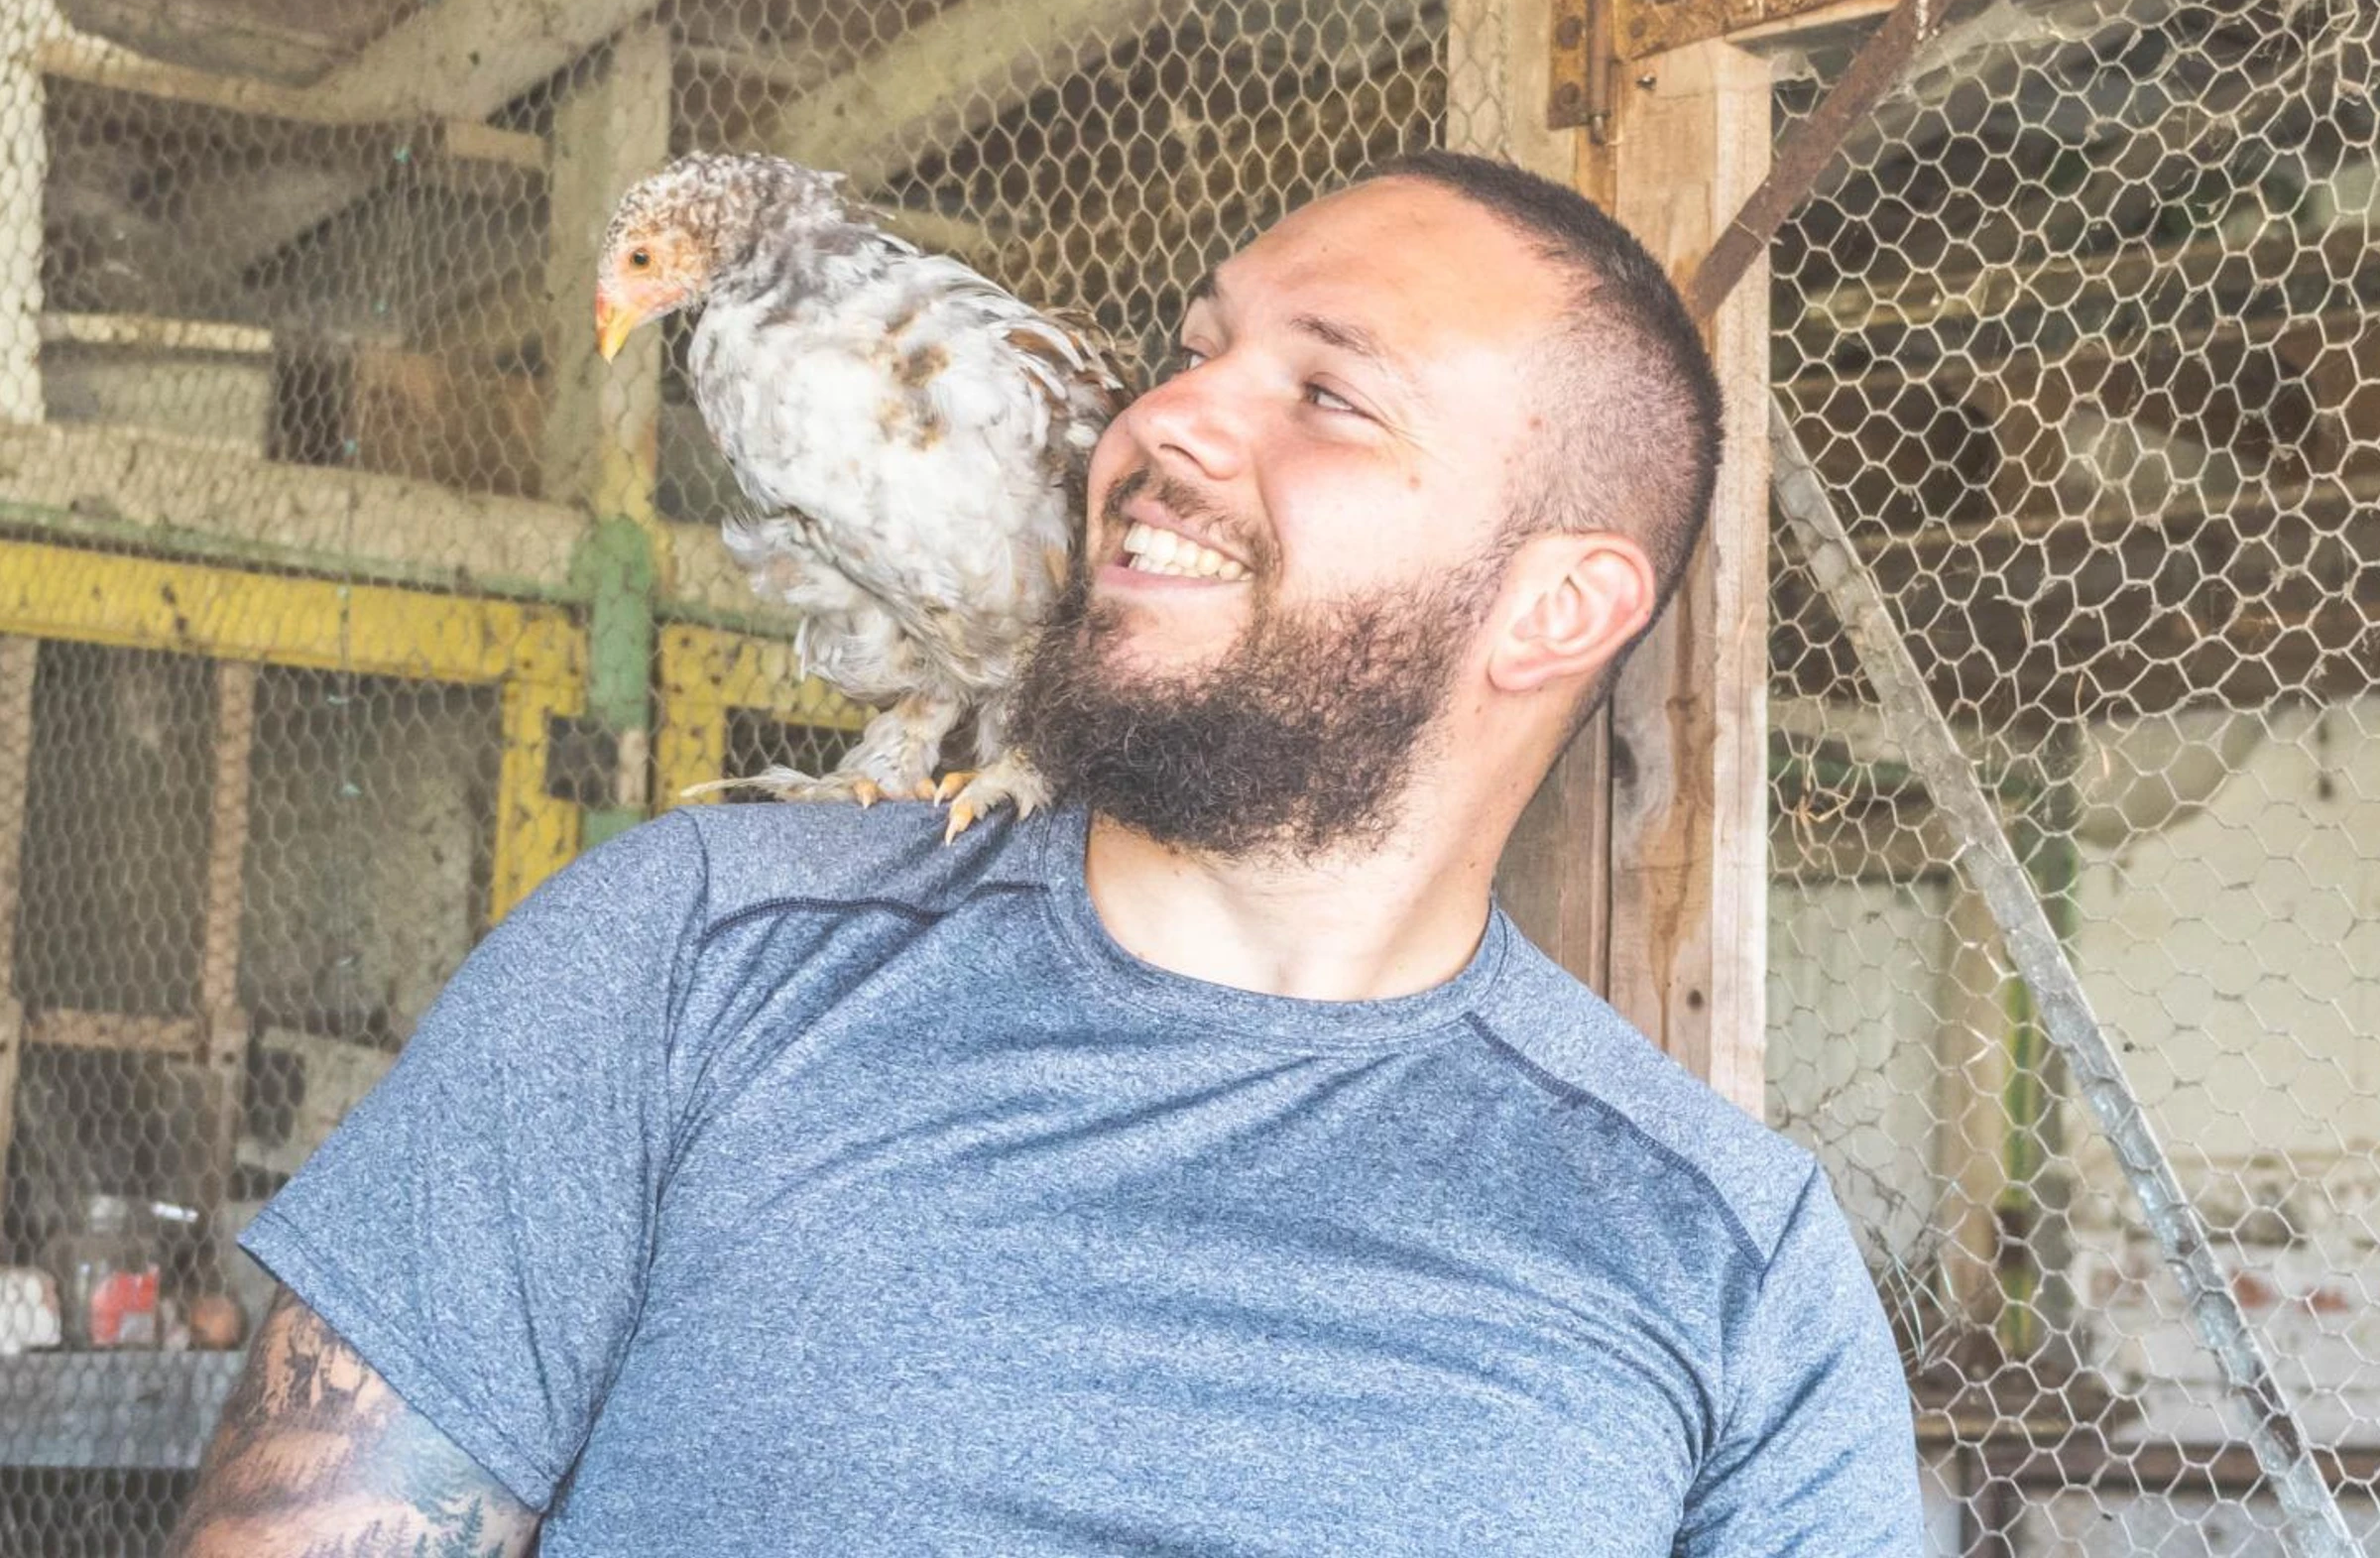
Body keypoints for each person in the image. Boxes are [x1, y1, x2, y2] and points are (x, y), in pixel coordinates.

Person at [168, 152, 1921, 1556]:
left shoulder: (1728, 1259)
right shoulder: (679, 964)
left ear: (1558, 610)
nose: (1165, 421)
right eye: (1194, 350)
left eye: (1326, 393)